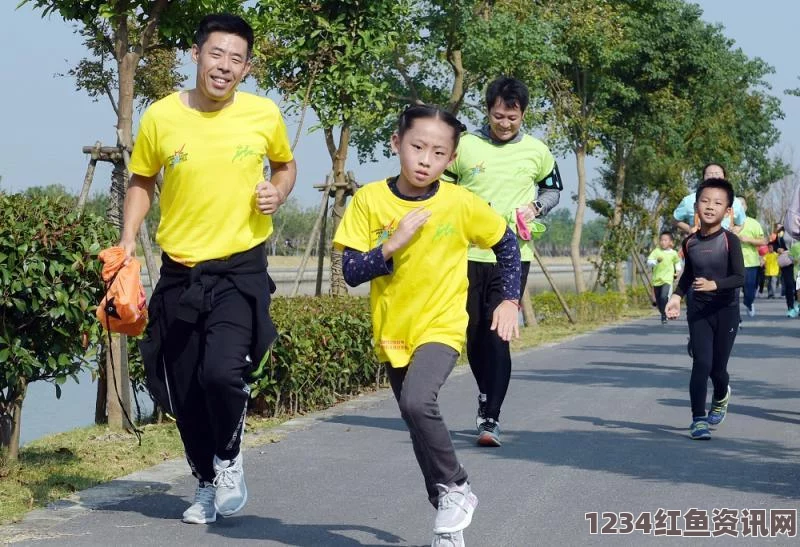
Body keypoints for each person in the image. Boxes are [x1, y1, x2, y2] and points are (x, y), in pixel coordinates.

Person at [120, 14, 297, 524]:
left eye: (236, 59)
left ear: (245, 68)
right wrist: (129, 238)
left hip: (240, 269)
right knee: (185, 387)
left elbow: (285, 166)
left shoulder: (264, 115)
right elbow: (142, 180)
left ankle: (230, 458)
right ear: (195, 55)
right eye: (216, 54)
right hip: (180, 271)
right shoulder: (160, 117)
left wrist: (277, 191)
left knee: (222, 373)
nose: (225, 66)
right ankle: (204, 482)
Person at [333, 105, 521, 547]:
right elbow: (352, 271)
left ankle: (456, 486)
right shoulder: (369, 201)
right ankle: (450, 524)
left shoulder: (459, 203)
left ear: (450, 160)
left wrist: (509, 299)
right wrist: (392, 245)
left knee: (420, 403)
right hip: (394, 329)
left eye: (438, 153)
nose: (425, 160)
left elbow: (507, 245)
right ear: (397, 143)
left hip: (443, 324)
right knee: (417, 427)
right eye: (417, 147)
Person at [440, 76, 562, 446]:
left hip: (513, 255)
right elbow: (442, 187)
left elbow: (553, 189)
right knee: (474, 334)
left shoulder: (538, 151)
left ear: (523, 113)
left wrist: (536, 207)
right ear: (488, 110)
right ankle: (485, 395)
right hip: (466, 252)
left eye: (512, 117)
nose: (505, 123)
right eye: (498, 116)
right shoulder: (465, 146)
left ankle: (490, 417)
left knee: (498, 335)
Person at [666, 178, 744, 440]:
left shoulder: (730, 241)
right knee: (701, 363)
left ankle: (721, 394)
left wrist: (714, 284)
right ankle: (698, 419)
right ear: (696, 205)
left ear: (727, 211)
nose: (710, 207)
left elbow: (739, 278)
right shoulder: (689, 243)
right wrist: (676, 297)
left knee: (717, 370)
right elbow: (688, 274)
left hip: (726, 311)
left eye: (718, 203)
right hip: (698, 310)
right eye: (705, 201)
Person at [672, 163, 745, 235]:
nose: (713, 176)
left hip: (724, 243)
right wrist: (689, 229)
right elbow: (675, 220)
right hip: (699, 242)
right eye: (709, 174)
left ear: (724, 177)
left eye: (717, 173)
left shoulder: (736, 202)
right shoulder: (689, 200)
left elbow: (741, 223)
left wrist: (736, 230)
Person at [734, 197, 766, 317]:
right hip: (732, 263)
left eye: (742, 204)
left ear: (746, 207)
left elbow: (763, 241)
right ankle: (735, 318)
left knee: (749, 291)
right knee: (733, 293)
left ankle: (749, 302)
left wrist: (747, 239)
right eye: (737, 204)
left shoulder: (754, 223)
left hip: (751, 263)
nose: (740, 206)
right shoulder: (728, 222)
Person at [646, 231, 682, 324]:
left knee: (663, 296)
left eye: (665, 240)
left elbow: (677, 262)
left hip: (667, 279)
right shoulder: (656, 251)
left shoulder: (673, 253)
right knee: (658, 301)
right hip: (657, 279)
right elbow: (649, 262)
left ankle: (664, 314)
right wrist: (656, 262)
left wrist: (677, 271)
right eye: (661, 240)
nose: (663, 242)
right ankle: (663, 312)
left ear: (670, 242)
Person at [773, 224, 799, 317]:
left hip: (798, 260)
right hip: (787, 260)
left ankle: (798, 305)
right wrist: (777, 248)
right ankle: (790, 307)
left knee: (798, 285)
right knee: (789, 284)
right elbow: (774, 243)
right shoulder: (781, 231)